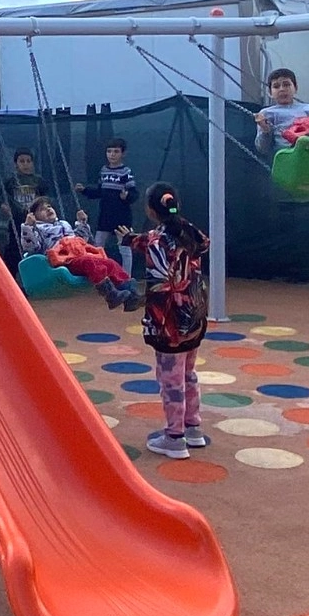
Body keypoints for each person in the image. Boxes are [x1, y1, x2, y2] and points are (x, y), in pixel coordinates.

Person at [118, 184, 210, 459]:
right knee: (188, 373)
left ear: (150, 210)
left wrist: (143, 307)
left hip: (170, 321)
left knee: (171, 381)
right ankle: (193, 428)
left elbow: (160, 278)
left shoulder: (158, 242)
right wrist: (131, 239)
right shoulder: (189, 233)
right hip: (194, 316)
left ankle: (174, 438)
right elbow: (152, 239)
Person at [19, 198, 141, 310]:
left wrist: (82, 223)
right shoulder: (37, 229)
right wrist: (28, 226)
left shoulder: (64, 224)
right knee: (89, 262)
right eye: (42, 209)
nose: (48, 209)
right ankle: (110, 294)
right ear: (34, 216)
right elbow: (31, 247)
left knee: (110, 263)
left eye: (49, 206)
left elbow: (81, 239)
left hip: (79, 255)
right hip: (64, 260)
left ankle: (131, 294)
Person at [75, 136, 138, 276]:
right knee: (98, 246)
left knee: (125, 247)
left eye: (116, 151)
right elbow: (100, 191)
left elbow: (134, 194)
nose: (112, 155)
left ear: (123, 153)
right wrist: (84, 190)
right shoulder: (104, 171)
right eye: (109, 151)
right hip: (105, 215)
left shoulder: (126, 172)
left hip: (122, 216)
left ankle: (126, 277)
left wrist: (127, 196)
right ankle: (99, 275)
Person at [0, 148, 47, 275]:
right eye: (22, 161)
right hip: (16, 220)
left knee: (36, 246)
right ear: (16, 164)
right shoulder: (10, 181)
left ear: (33, 163)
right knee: (14, 248)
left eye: (28, 161)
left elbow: (46, 197)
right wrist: (3, 205)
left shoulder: (39, 181)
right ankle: (9, 275)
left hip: (35, 221)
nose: (25, 164)